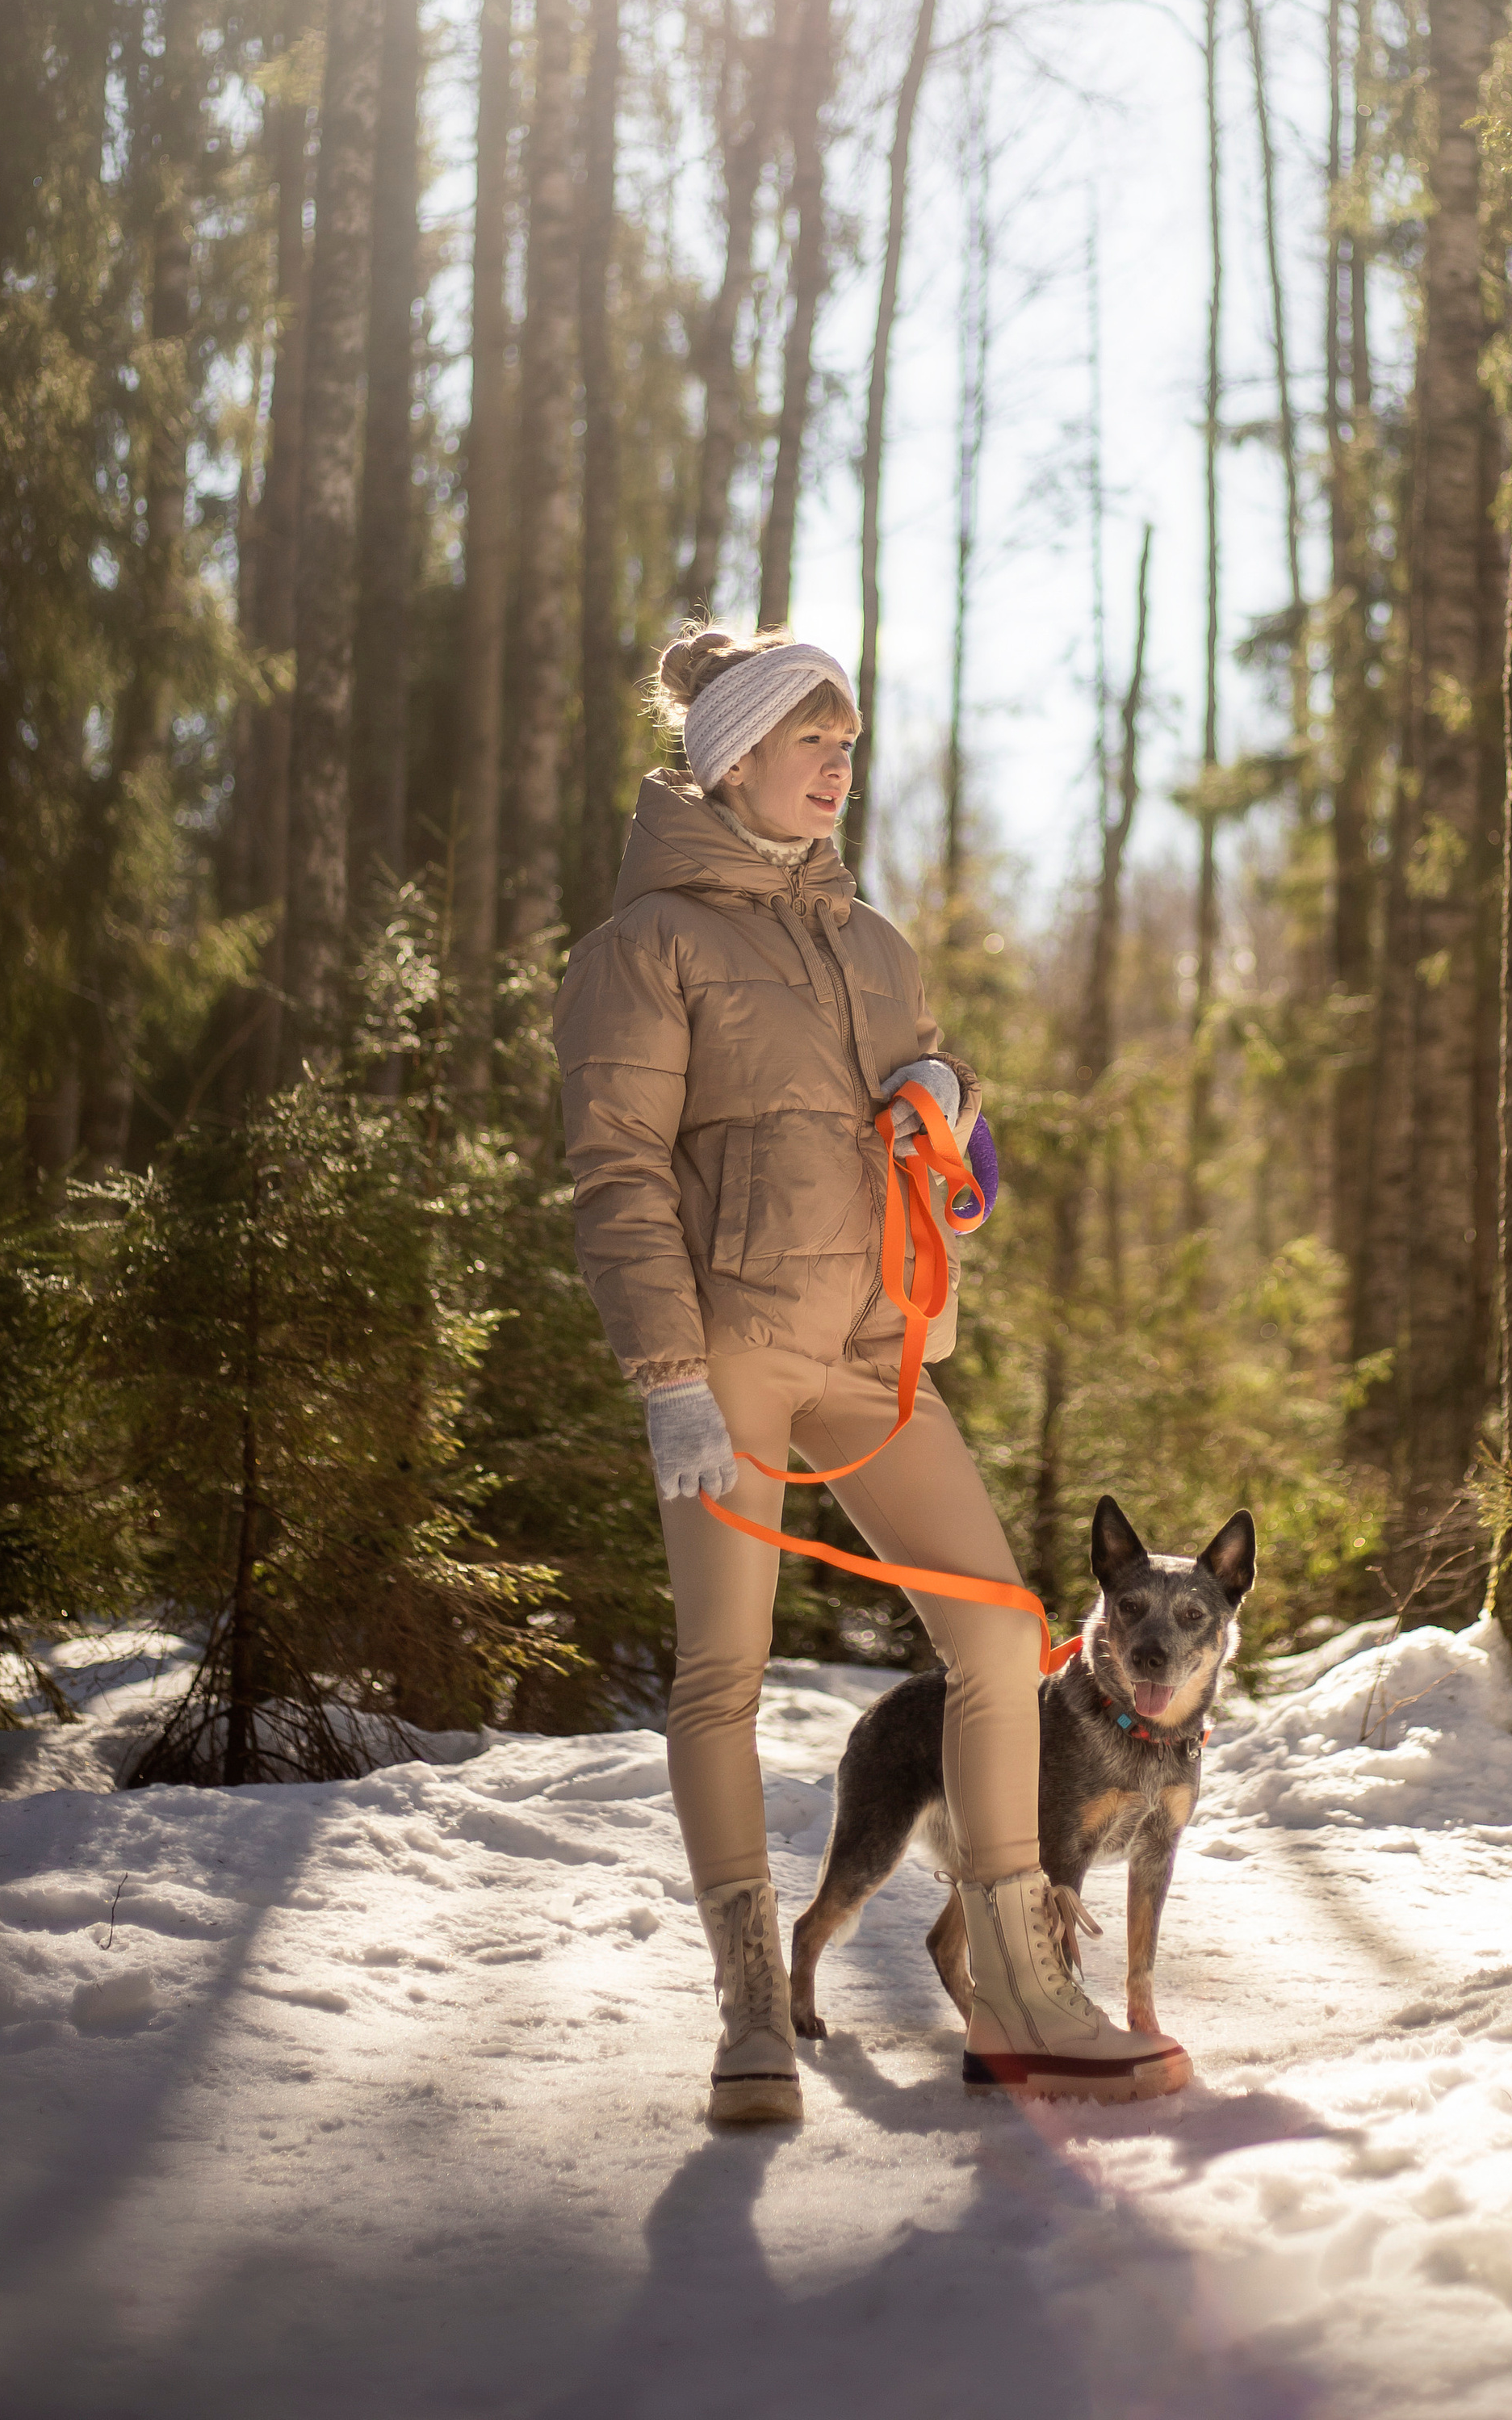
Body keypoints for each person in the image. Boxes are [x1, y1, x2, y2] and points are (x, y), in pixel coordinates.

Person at [554, 624, 1189, 2122]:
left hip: (874, 1353)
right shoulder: (644, 950)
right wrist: (667, 1375)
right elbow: (617, 1176)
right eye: (811, 743)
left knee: (998, 1636)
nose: (840, 767)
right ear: (731, 762)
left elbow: (958, 1137)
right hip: (722, 1354)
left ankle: (1027, 1993)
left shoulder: (874, 943)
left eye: (849, 744)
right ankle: (753, 2017)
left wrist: (953, 1102)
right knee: (720, 1671)